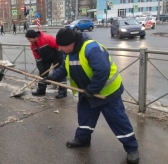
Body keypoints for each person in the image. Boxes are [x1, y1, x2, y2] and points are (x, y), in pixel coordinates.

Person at [47, 28, 139, 164]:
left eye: (62, 46)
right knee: (85, 118)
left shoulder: (91, 48)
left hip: (107, 93)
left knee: (118, 120)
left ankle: (132, 149)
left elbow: (103, 71)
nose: (60, 49)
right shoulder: (69, 52)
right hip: (87, 92)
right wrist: (50, 77)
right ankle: (82, 140)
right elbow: (64, 68)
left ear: (71, 43)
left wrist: (92, 89)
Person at [25, 30, 67, 99]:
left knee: (60, 73)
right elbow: (37, 57)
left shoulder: (47, 38)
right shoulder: (33, 46)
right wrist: (40, 68)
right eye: (28, 39)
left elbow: (58, 47)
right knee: (42, 74)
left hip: (56, 56)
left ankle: (62, 92)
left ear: (34, 37)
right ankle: (41, 90)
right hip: (45, 59)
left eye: (29, 39)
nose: (29, 40)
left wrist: (60, 59)